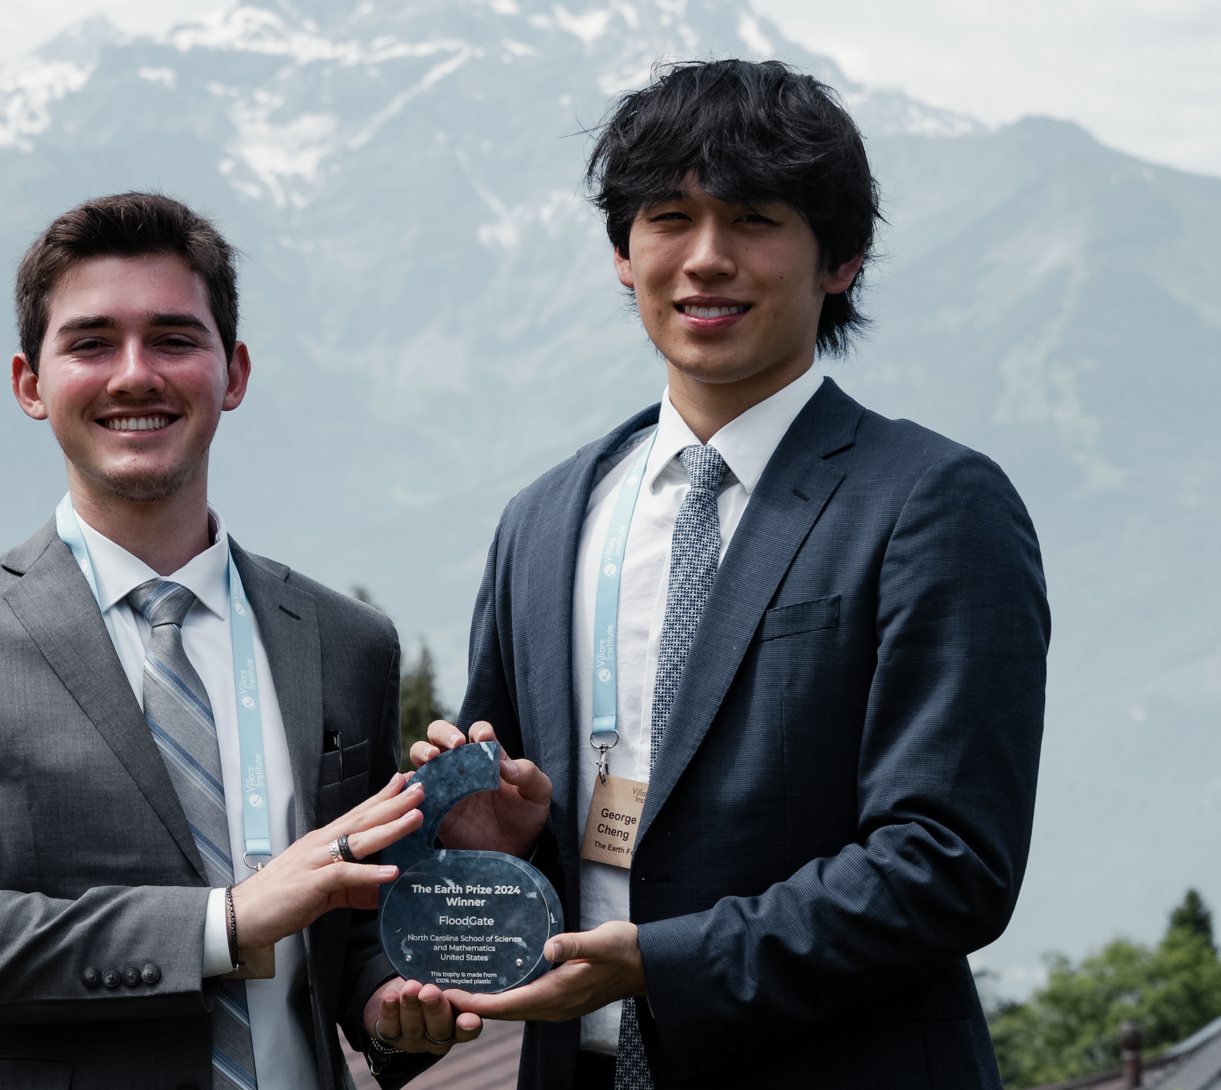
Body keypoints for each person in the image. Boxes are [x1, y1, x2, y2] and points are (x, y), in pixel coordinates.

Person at [413, 60, 1049, 1089]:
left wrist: (661, 965)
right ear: (623, 254)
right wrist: (508, 843)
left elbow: (948, 860)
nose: (706, 259)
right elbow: (511, 847)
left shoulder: (932, 503)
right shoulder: (543, 521)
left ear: (840, 257)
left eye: (753, 219)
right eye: (669, 218)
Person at [0, 192, 479, 1090]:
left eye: (174, 339)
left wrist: (395, 1010)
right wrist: (223, 923)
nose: (135, 375)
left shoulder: (347, 641)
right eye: (92, 344)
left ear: (234, 374)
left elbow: (355, 932)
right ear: (30, 384)